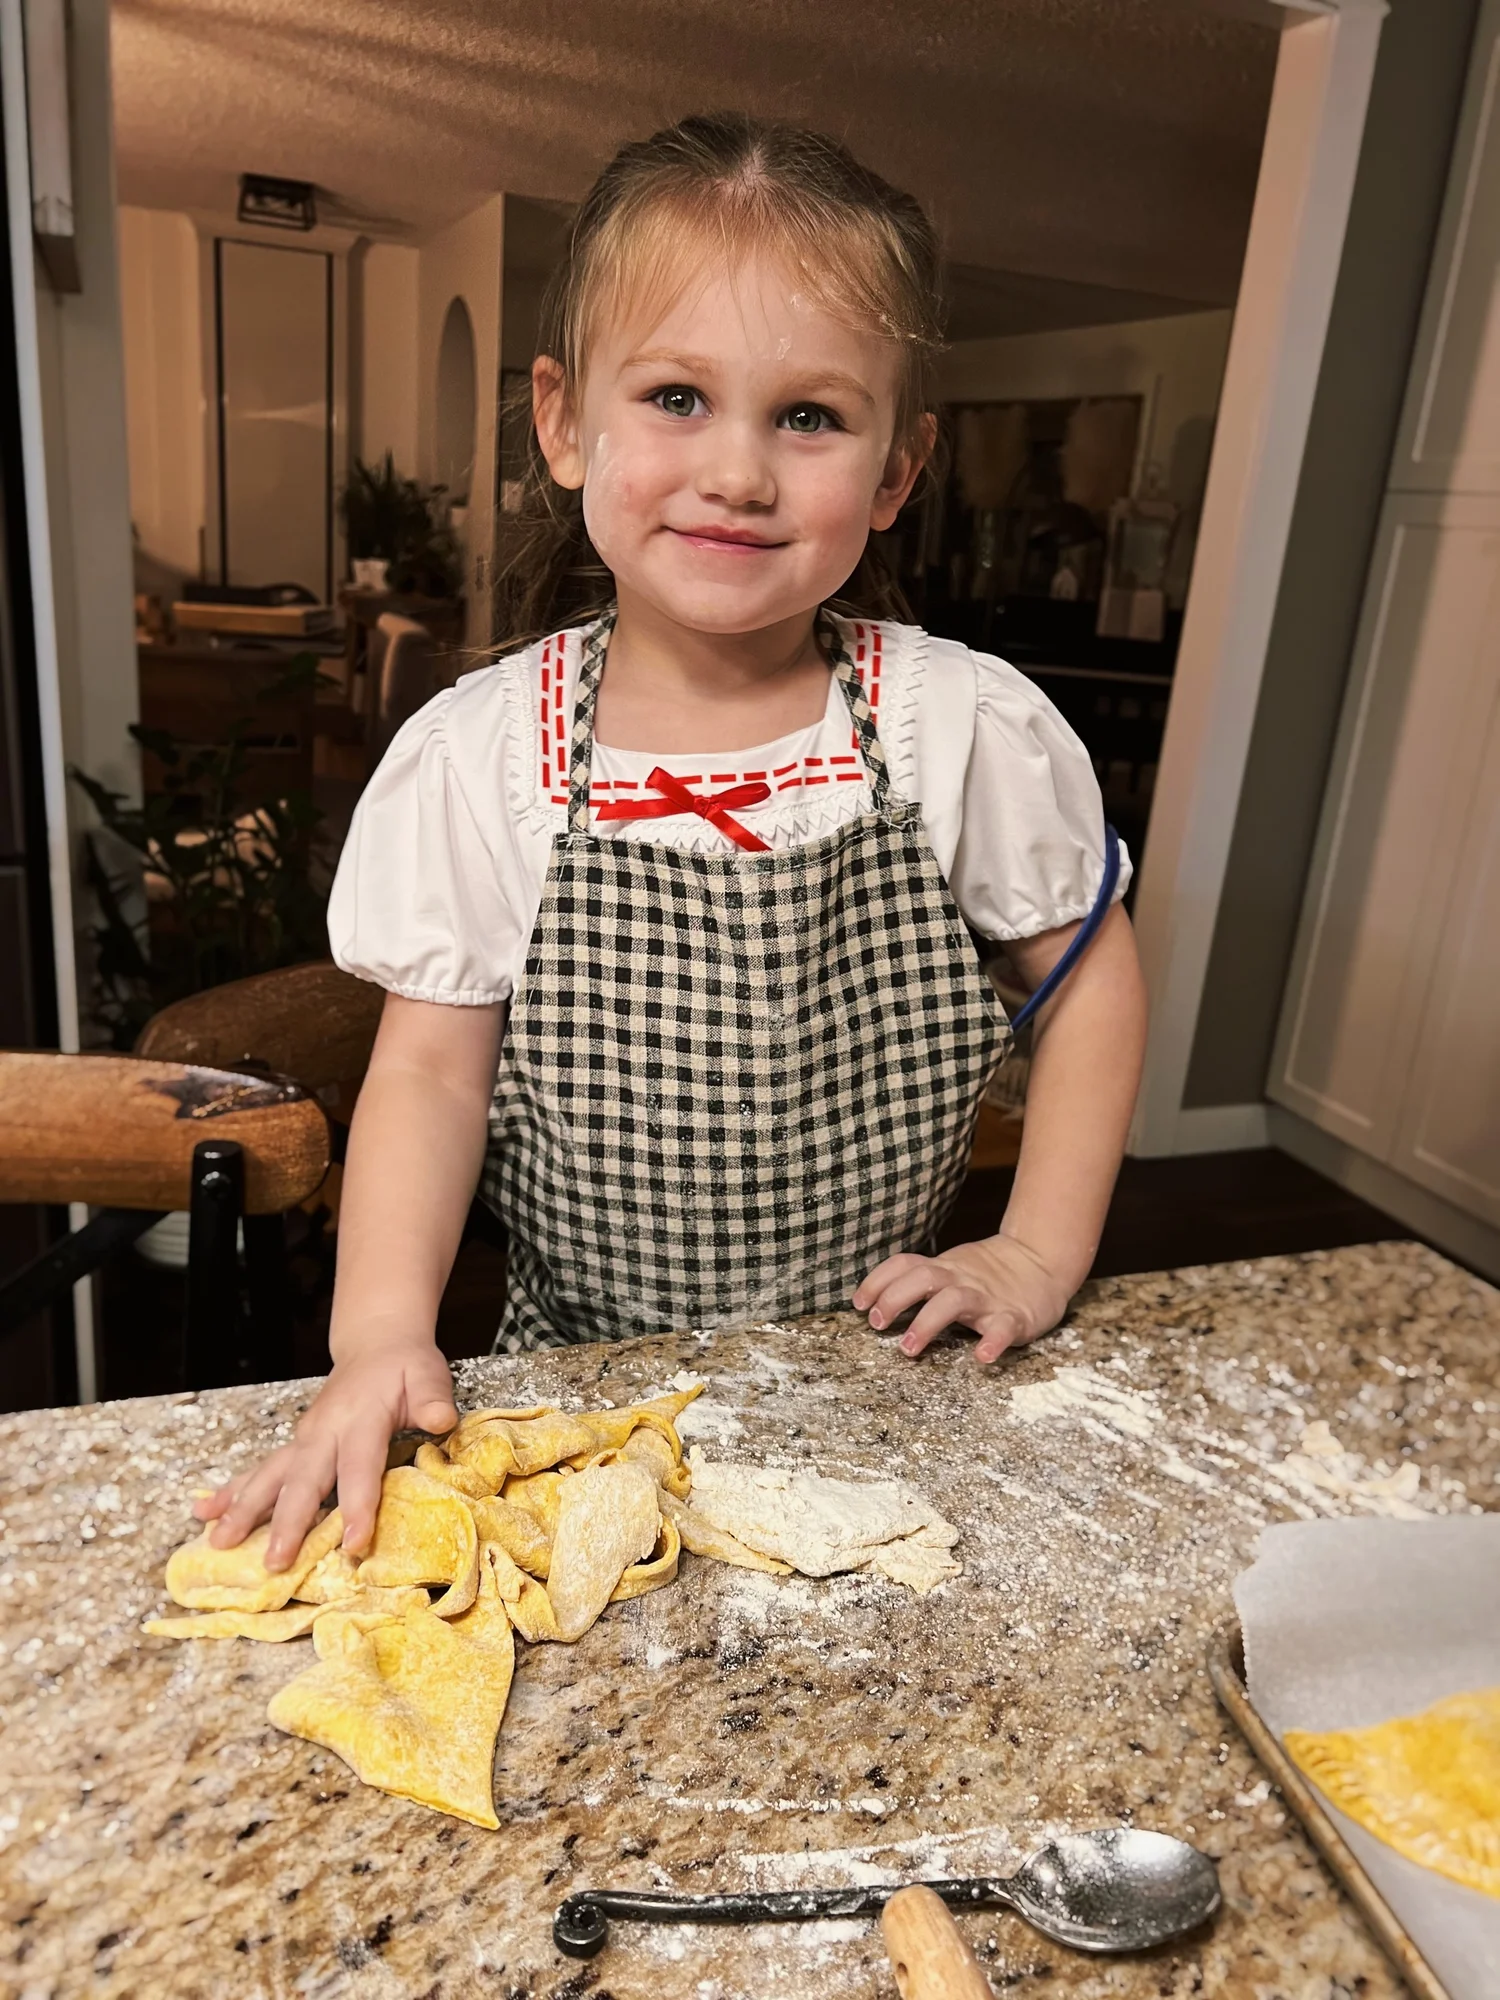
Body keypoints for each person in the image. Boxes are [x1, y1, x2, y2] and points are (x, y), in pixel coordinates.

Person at [198, 112, 1147, 1571]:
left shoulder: (957, 725)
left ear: (896, 473)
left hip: (884, 1376)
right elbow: (433, 1075)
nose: (742, 474)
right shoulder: (486, 757)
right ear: (566, 420)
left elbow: (1085, 979)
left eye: (811, 418)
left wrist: (1033, 1248)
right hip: (584, 1391)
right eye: (679, 398)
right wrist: (380, 1333)